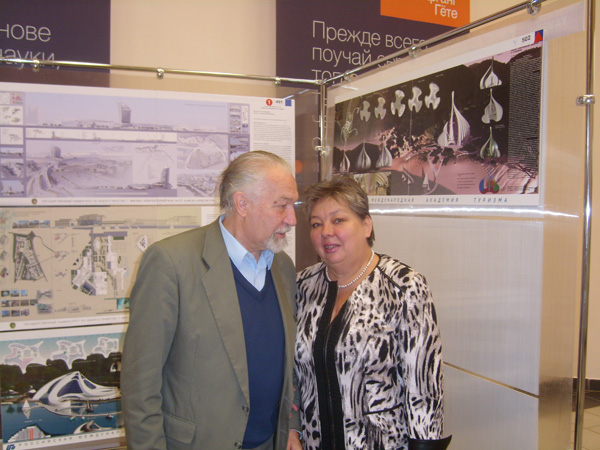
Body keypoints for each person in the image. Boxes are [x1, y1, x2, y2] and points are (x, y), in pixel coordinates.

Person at [121, 151, 300, 450]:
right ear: (242, 204)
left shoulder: (283, 267)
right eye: (281, 205)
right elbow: (140, 383)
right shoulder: (172, 263)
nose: (292, 219)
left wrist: (291, 426)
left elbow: (288, 364)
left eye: (293, 205)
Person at [289, 176, 451, 450]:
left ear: (366, 225)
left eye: (338, 220)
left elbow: (423, 388)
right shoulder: (301, 286)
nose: (326, 231)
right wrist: (291, 428)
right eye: (316, 224)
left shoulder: (404, 287)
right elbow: (291, 373)